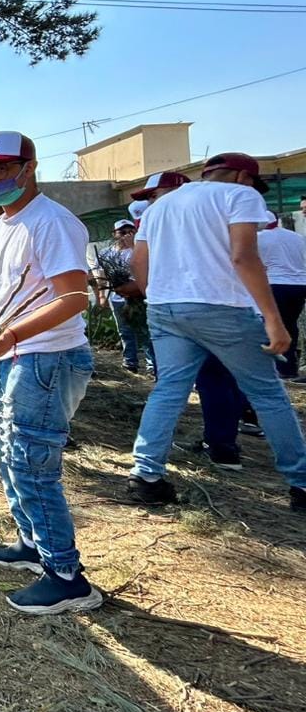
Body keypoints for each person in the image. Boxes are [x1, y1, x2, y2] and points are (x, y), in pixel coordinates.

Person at [0, 132, 102, 615]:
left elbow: (74, 298)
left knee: (32, 462)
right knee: (10, 454)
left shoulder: (52, 222)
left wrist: (11, 338)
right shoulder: (6, 224)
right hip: (12, 357)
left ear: (29, 168)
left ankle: (67, 576)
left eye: (0, 169)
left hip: (45, 358)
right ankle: (32, 544)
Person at [126, 153, 306, 511]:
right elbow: (244, 257)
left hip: (165, 309)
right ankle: (300, 482)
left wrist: (156, 297)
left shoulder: (159, 207)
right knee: (267, 393)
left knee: (168, 391)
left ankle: (146, 475)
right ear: (243, 176)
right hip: (222, 306)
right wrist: (273, 318)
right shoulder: (239, 196)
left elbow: (139, 265)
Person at [93, 218, 154, 375]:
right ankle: (130, 362)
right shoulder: (106, 253)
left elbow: (145, 266)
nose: (126, 235)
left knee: (144, 330)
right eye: (122, 232)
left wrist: (133, 246)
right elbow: (101, 275)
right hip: (118, 298)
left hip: (138, 297)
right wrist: (102, 296)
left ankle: (152, 365)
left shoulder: (139, 249)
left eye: (130, 232)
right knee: (124, 330)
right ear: (114, 234)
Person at [258, 218, 306, 382]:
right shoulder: (295, 237)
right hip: (299, 285)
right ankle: (289, 368)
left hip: (275, 284)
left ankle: (273, 369)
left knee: (270, 325)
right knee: (290, 325)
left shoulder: (259, 237)